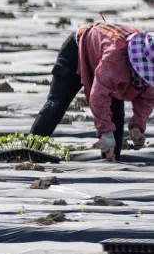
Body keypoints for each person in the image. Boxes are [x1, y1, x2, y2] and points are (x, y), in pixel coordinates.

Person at [30, 23, 154, 161]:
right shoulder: (115, 59)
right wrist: (105, 131)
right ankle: (30, 151)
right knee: (56, 105)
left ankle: (110, 161)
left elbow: (148, 98)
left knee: (116, 120)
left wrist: (137, 126)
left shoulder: (147, 69)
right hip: (76, 52)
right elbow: (98, 96)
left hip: (102, 61)